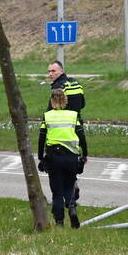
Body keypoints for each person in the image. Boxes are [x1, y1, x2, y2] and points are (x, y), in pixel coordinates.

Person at [38, 88, 88, 228]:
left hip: (54, 157)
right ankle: (71, 207)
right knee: (69, 185)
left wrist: (41, 157)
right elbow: (81, 136)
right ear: (65, 100)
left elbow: (41, 137)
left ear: (52, 101)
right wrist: (85, 154)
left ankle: (59, 222)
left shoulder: (47, 116)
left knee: (57, 191)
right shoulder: (73, 115)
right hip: (71, 156)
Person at [47, 60, 85, 205]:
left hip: (62, 129)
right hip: (77, 126)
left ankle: (65, 196)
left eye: (53, 71)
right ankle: (72, 188)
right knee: (73, 159)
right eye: (49, 71)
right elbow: (83, 104)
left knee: (58, 163)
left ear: (61, 71)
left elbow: (51, 108)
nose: (50, 74)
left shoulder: (58, 86)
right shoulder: (76, 83)